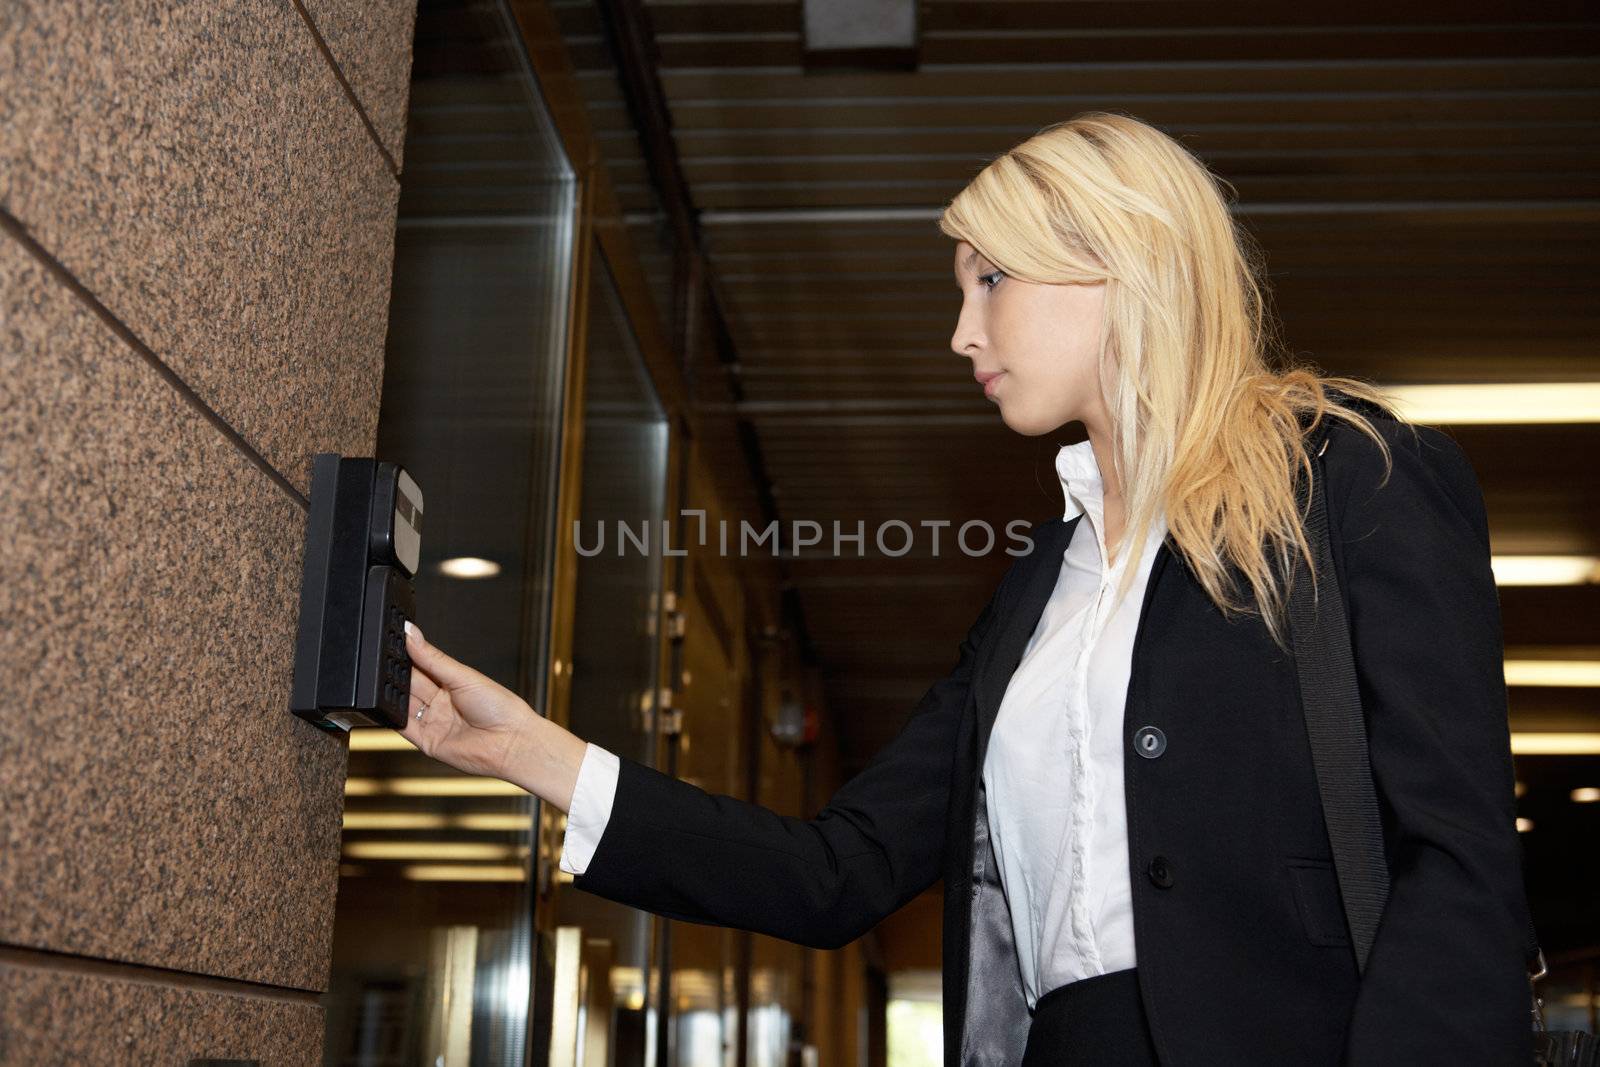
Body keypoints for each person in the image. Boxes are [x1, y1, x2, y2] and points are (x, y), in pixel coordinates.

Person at [396, 111, 1536, 1065]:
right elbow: (835, 869)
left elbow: (1459, 859)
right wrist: (524, 750)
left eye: (990, 279)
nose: (960, 330)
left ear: (1118, 261)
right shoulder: (1039, 589)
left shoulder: (1351, 480)